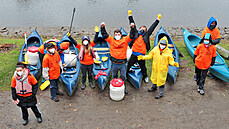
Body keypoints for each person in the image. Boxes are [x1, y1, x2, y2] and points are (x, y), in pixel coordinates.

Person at [127, 10, 161, 83]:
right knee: (129, 64)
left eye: (144, 29)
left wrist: (157, 20)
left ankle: (145, 76)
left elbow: (152, 27)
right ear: (139, 29)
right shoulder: (136, 33)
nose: (142, 29)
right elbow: (132, 24)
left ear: (145, 31)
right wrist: (130, 16)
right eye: (141, 28)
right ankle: (125, 75)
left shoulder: (146, 35)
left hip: (141, 56)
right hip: (134, 54)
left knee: (143, 67)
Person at [100, 22, 135, 94]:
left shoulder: (125, 40)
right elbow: (104, 35)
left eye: (118, 34)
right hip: (114, 63)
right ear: (114, 35)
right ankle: (114, 87)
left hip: (122, 64)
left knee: (123, 77)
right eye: (116, 34)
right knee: (114, 76)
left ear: (121, 35)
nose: (117, 35)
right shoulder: (111, 40)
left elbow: (131, 36)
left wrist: (132, 28)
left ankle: (123, 88)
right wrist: (102, 27)